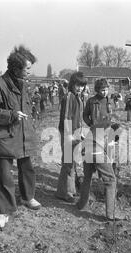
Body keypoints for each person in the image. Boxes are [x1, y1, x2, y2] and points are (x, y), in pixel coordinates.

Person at [0, 44, 42, 229]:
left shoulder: (23, 85)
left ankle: (27, 198)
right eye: (28, 69)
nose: (30, 72)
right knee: (5, 176)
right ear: (16, 68)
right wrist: (11, 115)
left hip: (24, 136)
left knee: (28, 169)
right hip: (5, 137)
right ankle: (4, 211)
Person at [78, 78, 124, 220]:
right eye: (102, 90)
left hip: (97, 139)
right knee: (110, 178)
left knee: (88, 175)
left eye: (106, 89)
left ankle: (82, 204)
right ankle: (111, 213)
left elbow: (112, 117)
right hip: (97, 139)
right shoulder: (91, 101)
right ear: (97, 90)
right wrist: (91, 123)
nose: (105, 92)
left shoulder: (110, 101)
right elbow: (85, 115)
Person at [55, 72, 87, 203]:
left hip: (75, 133)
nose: (80, 88)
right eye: (77, 85)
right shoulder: (69, 97)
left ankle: (70, 190)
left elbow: (77, 119)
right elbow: (67, 117)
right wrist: (68, 135)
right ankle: (64, 192)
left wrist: (80, 132)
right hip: (68, 134)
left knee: (72, 163)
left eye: (82, 86)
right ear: (72, 84)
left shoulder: (78, 97)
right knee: (68, 163)